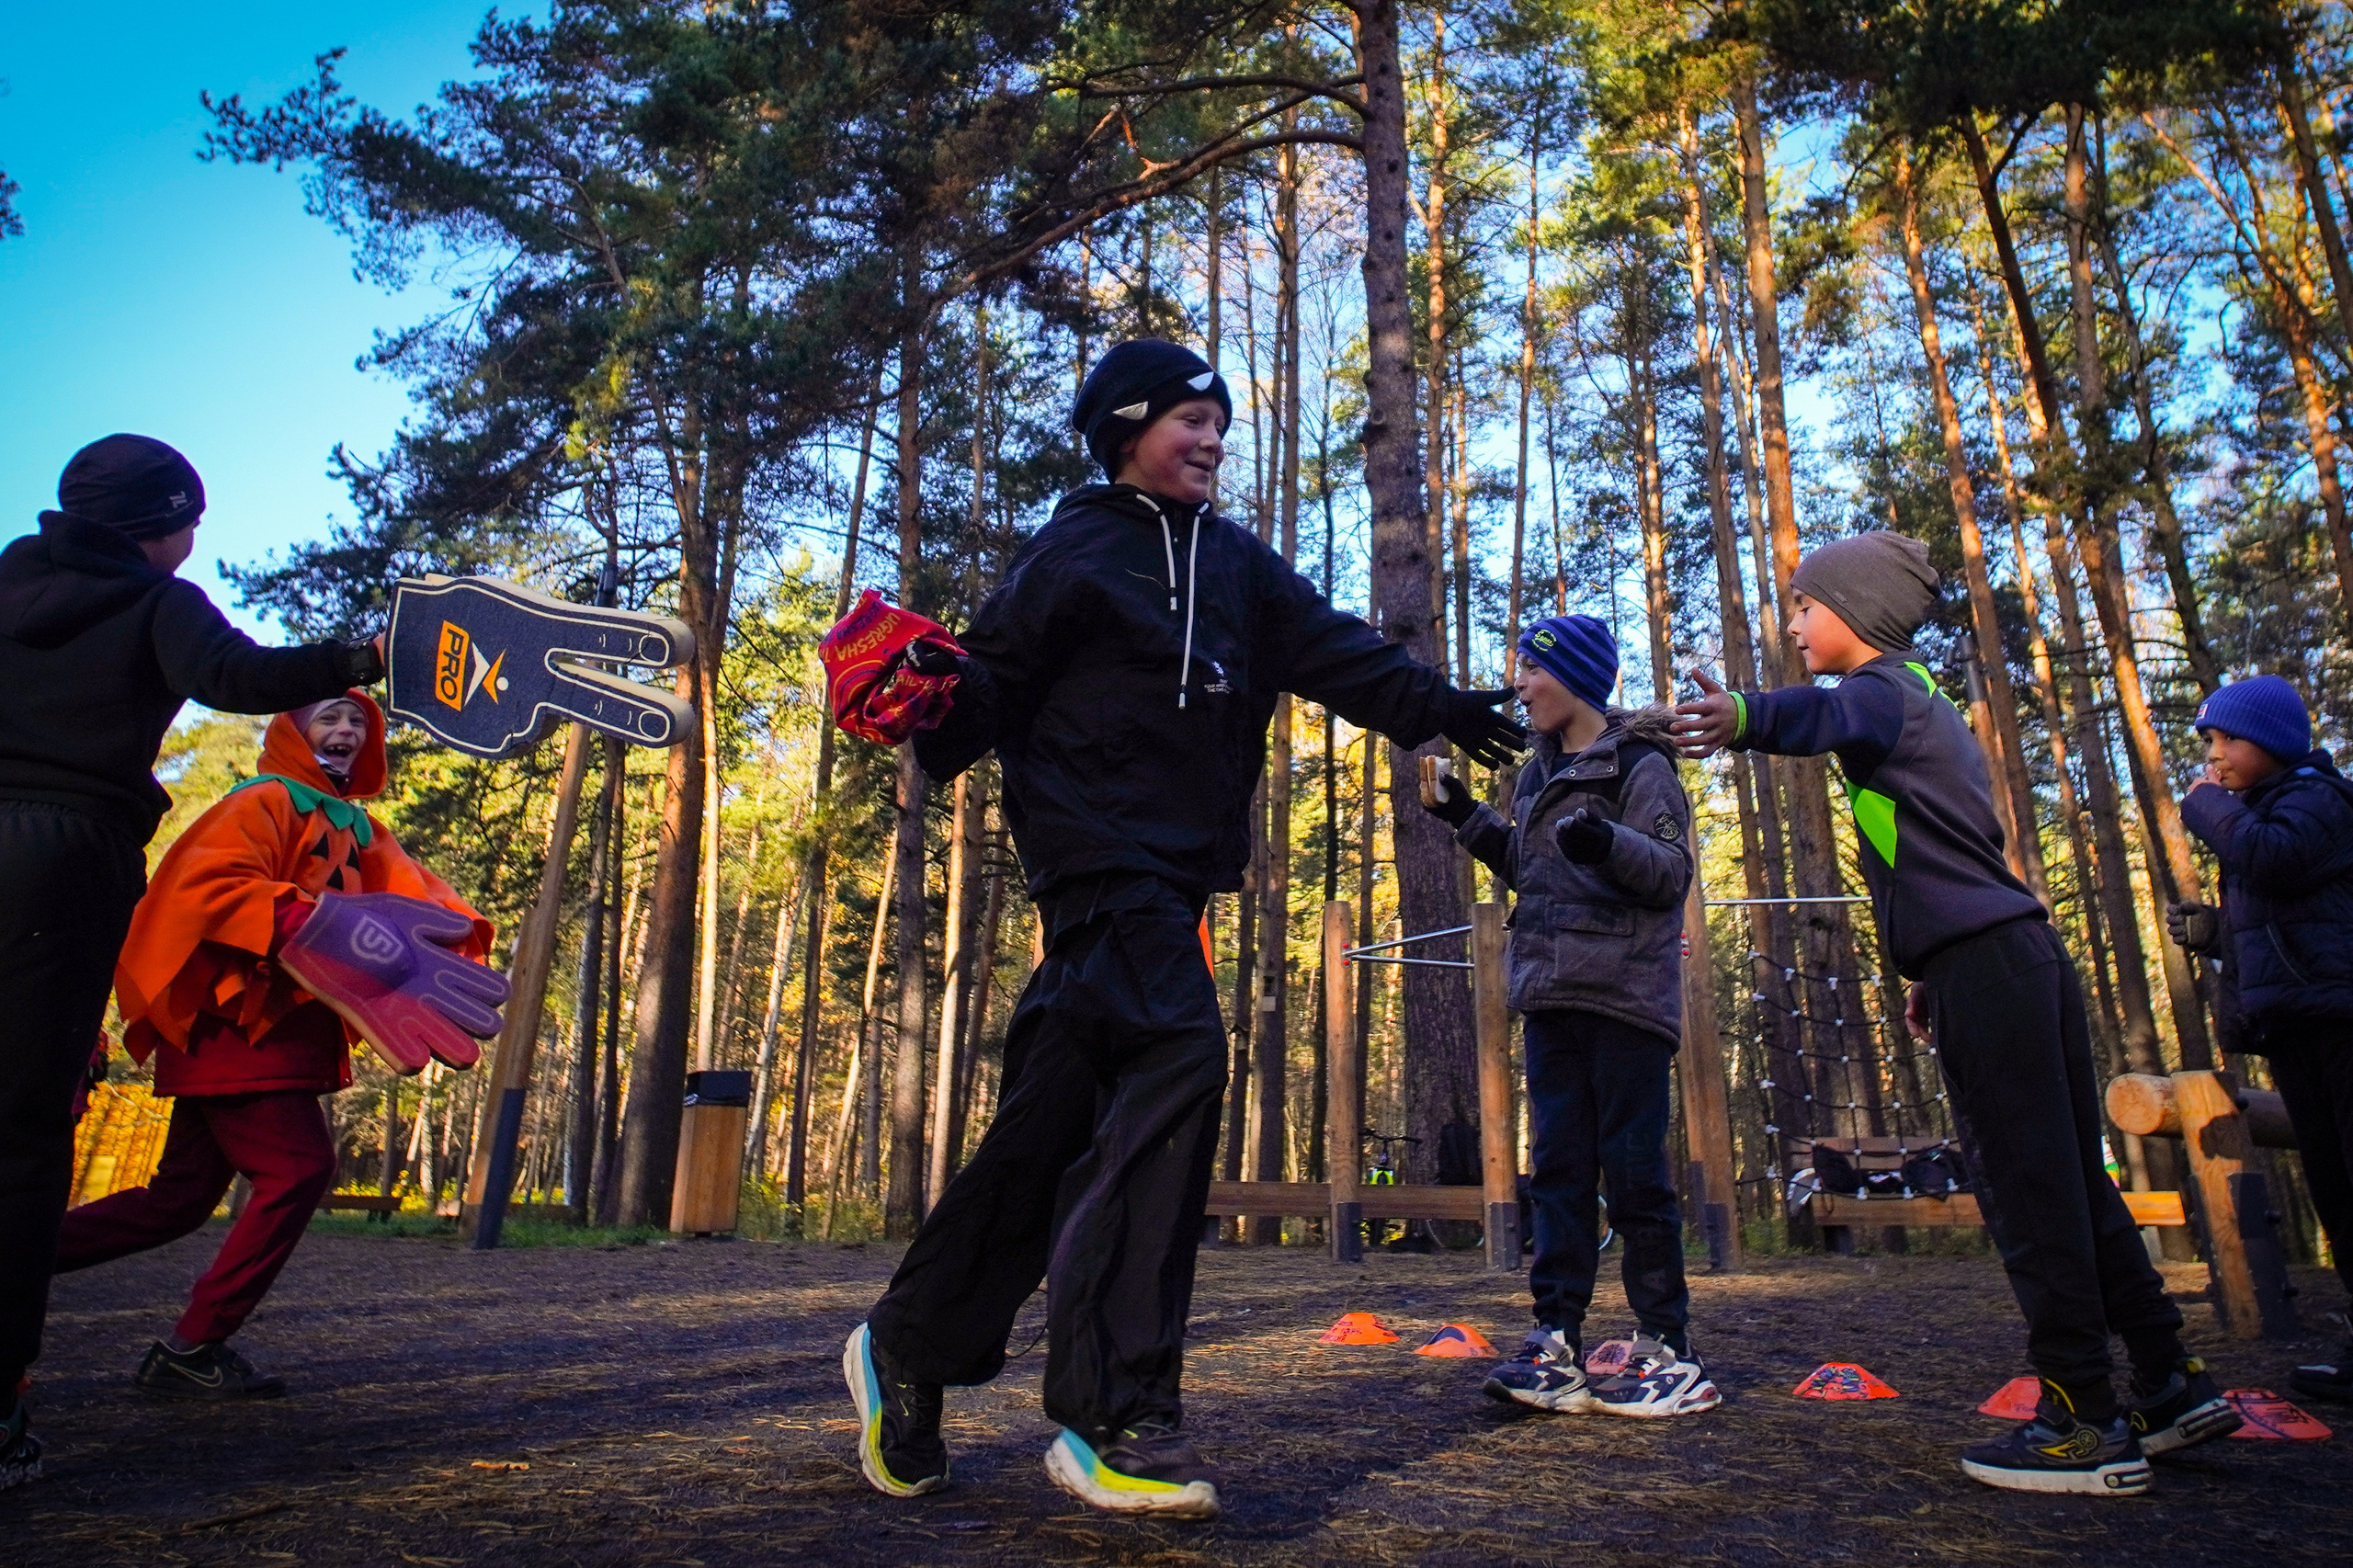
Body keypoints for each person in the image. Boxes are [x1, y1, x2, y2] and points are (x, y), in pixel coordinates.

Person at [839, 338, 1526, 1519]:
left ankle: (903, 1342)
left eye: (1219, 422)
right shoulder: (1070, 551)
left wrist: (1443, 706)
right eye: (1186, 419)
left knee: (1046, 1135)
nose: (1210, 438)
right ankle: (1112, 1414)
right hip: (1097, 870)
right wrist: (922, 698)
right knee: (1180, 1060)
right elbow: (975, 703)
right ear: (1123, 426)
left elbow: (1343, 653)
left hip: (1168, 885)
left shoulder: (1241, 569)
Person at [1669, 530, 2236, 1497]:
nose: (1793, 624)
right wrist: (1932, 958)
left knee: (2025, 1188)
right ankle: (2168, 1379)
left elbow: (1812, 715)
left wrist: (1739, 716)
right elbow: (1953, 845)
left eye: (1805, 606)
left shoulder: (1880, 692)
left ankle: (2082, 1416)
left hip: (1995, 963)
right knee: (2067, 1181)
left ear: (1859, 613)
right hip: (2005, 954)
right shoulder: (1918, 703)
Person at [0, 435, 384, 1490]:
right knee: (26, 1128)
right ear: (161, 523)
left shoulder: (10, 574)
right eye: (191, 521)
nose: (194, 539)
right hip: (69, 854)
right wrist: (363, 655)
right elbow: (238, 676)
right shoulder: (160, 606)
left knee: (172, 1194)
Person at [50, 691, 490, 1399]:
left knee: (180, 1200)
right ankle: (195, 1344)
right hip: (236, 1027)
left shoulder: (359, 828)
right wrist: (303, 921)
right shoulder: (262, 801)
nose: (346, 731)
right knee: (299, 1170)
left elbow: (413, 897)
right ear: (291, 732)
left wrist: (454, 942)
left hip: (281, 1031)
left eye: (358, 723)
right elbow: (209, 883)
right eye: (329, 719)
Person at [1421, 613, 1714, 1419]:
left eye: (1530, 670)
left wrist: (1606, 843)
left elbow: (1669, 872)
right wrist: (1461, 814)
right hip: (1549, 996)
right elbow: (1528, 867)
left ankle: (1669, 1346)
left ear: (1576, 678)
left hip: (1624, 999)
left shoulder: (1642, 765)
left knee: (1634, 1174)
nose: (1519, 684)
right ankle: (1556, 1340)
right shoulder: (1536, 772)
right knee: (1556, 1173)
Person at [2167, 675, 2353, 1405]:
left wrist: (2205, 806)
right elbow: (2281, 907)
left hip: (2343, 1016)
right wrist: (2216, 934)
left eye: (2224, 740)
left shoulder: (2320, 800)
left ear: (2273, 742)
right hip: (2299, 1022)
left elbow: (2275, 859)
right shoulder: (2263, 811)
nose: (2213, 758)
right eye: (2209, 743)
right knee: (2335, 1186)